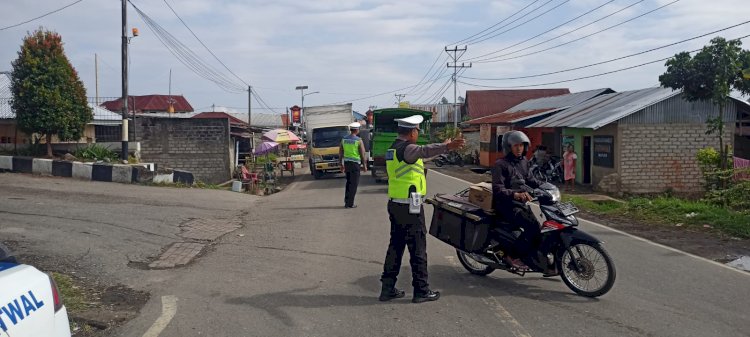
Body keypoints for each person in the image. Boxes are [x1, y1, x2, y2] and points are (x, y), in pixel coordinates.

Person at [379, 115, 465, 303]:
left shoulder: (393, 149)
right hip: (411, 207)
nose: (418, 134)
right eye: (417, 131)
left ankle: (387, 289)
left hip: (395, 203)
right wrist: (447, 147)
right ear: (411, 132)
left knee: (396, 246)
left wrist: (442, 145)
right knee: (418, 247)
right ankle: (421, 290)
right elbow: (423, 150)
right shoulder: (408, 148)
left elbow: (422, 154)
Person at [491, 131, 553, 274]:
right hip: (505, 205)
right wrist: (516, 194)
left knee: (545, 224)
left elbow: (531, 180)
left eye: (522, 145)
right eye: (516, 145)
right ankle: (512, 255)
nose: (519, 148)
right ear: (508, 147)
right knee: (533, 225)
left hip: (522, 203)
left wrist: (547, 186)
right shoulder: (500, 165)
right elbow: (498, 188)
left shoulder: (523, 162)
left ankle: (536, 256)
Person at [339, 122, 368, 208]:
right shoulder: (358, 140)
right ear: (357, 130)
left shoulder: (344, 139)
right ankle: (350, 204)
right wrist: (365, 165)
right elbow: (362, 154)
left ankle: (347, 201)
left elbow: (340, 152)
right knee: (354, 184)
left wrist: (341, 164)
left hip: (347, 164)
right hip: (355, 164)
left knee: (348, 183)